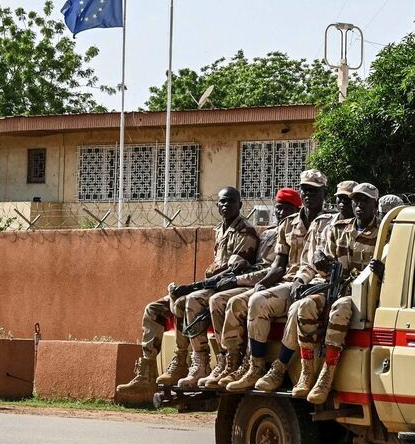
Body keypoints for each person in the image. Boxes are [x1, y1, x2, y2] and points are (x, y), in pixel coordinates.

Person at [115, 187, 259, 403]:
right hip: (207, 284)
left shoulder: (246, 232)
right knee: (153, 309)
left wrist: (191, 287)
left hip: (223, 287)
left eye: (231, 201)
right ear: (217, 206)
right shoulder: (219, 230)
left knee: (185, 301)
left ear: (240, 205)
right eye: (222, 202)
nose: (226, 205)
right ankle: (145, 372)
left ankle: (192, 360)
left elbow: (231, 272)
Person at [263, 182, 382, 404]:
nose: (359, 205)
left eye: (365, 200)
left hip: (358, 296)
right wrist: (322, 262)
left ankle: (327, 374)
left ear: (375, 204)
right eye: (356, 200)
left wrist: (380, 270)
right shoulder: (338, 229)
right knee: (305, 305)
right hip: (331, 287)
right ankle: (307, 372)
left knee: (340, 308)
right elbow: (322, 263)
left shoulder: (383, 234)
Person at [224, 169, 331, 392]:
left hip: (315, 284)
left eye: (314, 190)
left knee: (296, 309)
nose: (309, 194)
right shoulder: (288, 223)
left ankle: (279, 368)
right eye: (305, 190)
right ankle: (255, 366)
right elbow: (279, 265)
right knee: (256, 300)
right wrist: (262, 284)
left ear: (324, 193)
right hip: (288, 282)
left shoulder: (331, 223)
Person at [197, 188, 302, 389]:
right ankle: (228, 360)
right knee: (216, 300)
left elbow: (275, 270)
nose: (281, 213)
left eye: (287, 209)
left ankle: (250, 363)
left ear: (297, 210)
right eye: (278, 208)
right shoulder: (269, 233)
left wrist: (240, 281)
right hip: (257, 281)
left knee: (237, 302)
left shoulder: (300, 232)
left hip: (277, 283)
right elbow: (257, 264)